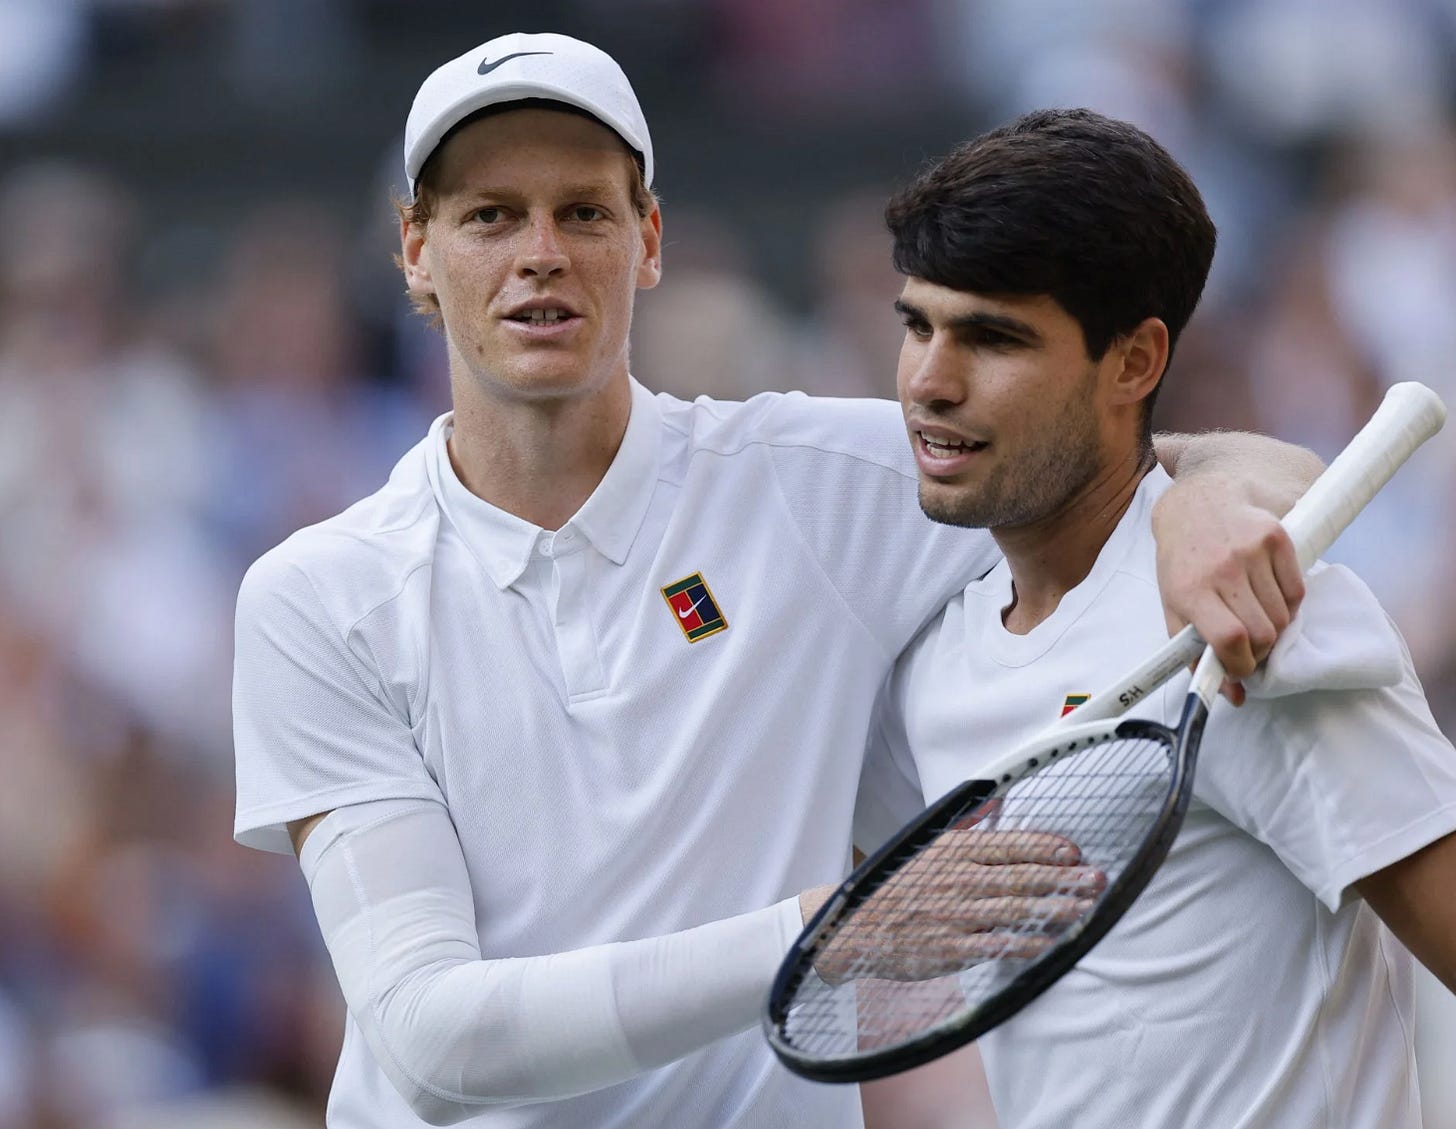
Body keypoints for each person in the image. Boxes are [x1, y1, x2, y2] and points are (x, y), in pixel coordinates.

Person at [231, 33, 1322, 1129]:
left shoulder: (815, 483)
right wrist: (827, 928)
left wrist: (1198, 503)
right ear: (416, 251)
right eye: (490, 217)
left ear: (648, 242)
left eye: (585, 212)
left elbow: (1199, 467)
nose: (542, 253)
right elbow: (430, 1041)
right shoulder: (320, 599)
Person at [862, 108, 1456, 1128]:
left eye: (994, 338)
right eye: (917, 324)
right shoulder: (935, 650)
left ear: (1135, 361)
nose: (930, 381)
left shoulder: (1262, 623)